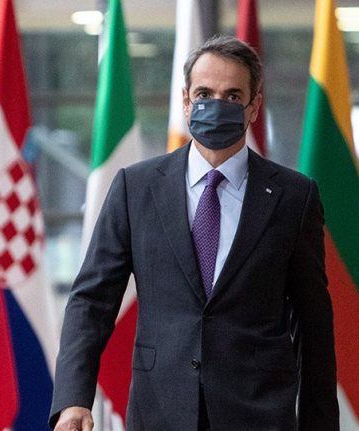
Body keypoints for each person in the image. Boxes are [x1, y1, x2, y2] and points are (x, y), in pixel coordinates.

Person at [50, 35, 339, 431]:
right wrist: (73, 400)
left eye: (232, 96)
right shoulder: (136, 188)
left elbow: (313, 324)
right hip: (160, 412)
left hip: (258, 414)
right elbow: (91, 301)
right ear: (186, 101)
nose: (216, 105)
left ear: (254, 106)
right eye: (204, 94)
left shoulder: (294, 197)